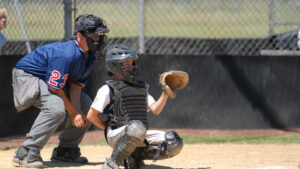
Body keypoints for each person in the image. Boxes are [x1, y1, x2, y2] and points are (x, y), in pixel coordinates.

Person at [11, 14, 109, 168]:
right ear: (79, 35)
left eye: (99, 34)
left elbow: (76, 85)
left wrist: (77, 110)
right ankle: (26, 152)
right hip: (27, 76)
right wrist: (72, 112)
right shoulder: (67, 54)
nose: (97, 38)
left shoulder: (91, 54)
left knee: (87, 107)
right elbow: (54, 87)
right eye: (93, 34)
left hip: (49, 80)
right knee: (56, 109)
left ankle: (65, 151)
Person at [86, 44, 183, 169]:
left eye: (131, 63)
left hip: (138, 133)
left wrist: (165, 92)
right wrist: (107, 128)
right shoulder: (107, 89)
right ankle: (112, 163)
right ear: (114, 66)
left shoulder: (140, 87)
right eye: (125, 64)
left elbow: (156, 109)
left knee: (174, 142)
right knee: (136, 128)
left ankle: (135, 159)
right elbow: (91, 116)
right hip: (117, 134)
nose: (131, 67)